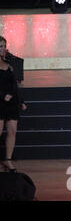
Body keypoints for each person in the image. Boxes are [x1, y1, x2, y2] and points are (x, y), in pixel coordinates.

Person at [0, 36, 27, 172]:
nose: (2, 49)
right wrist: (2, 96)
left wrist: (21, 100)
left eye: (3, 46)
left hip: (12, 102)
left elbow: (16, 83)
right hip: (0, 101)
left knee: (12, 131)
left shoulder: (9, 62)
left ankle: (8, 160)